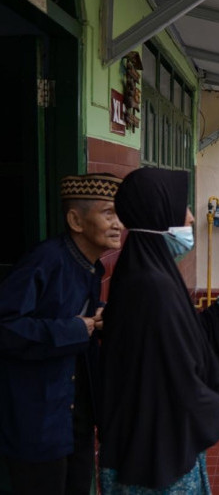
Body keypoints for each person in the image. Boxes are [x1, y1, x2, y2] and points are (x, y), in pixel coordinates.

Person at [98, 167, 219, 493]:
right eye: (181, 209)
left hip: (146, 446)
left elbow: (178, 336)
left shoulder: (142, 270)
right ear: (159, 216)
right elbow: (176, 376)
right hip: (157, 466)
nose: (190, 219)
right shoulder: (152, 287)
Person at [0, 173, 122, 495]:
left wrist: (97, 319)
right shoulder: (45, 260)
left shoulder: (91, 267)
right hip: (38, 421)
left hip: (75, 418)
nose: (118, 224)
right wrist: (74, 328)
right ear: (75, 220)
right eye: (109, 213)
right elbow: (5, 326)